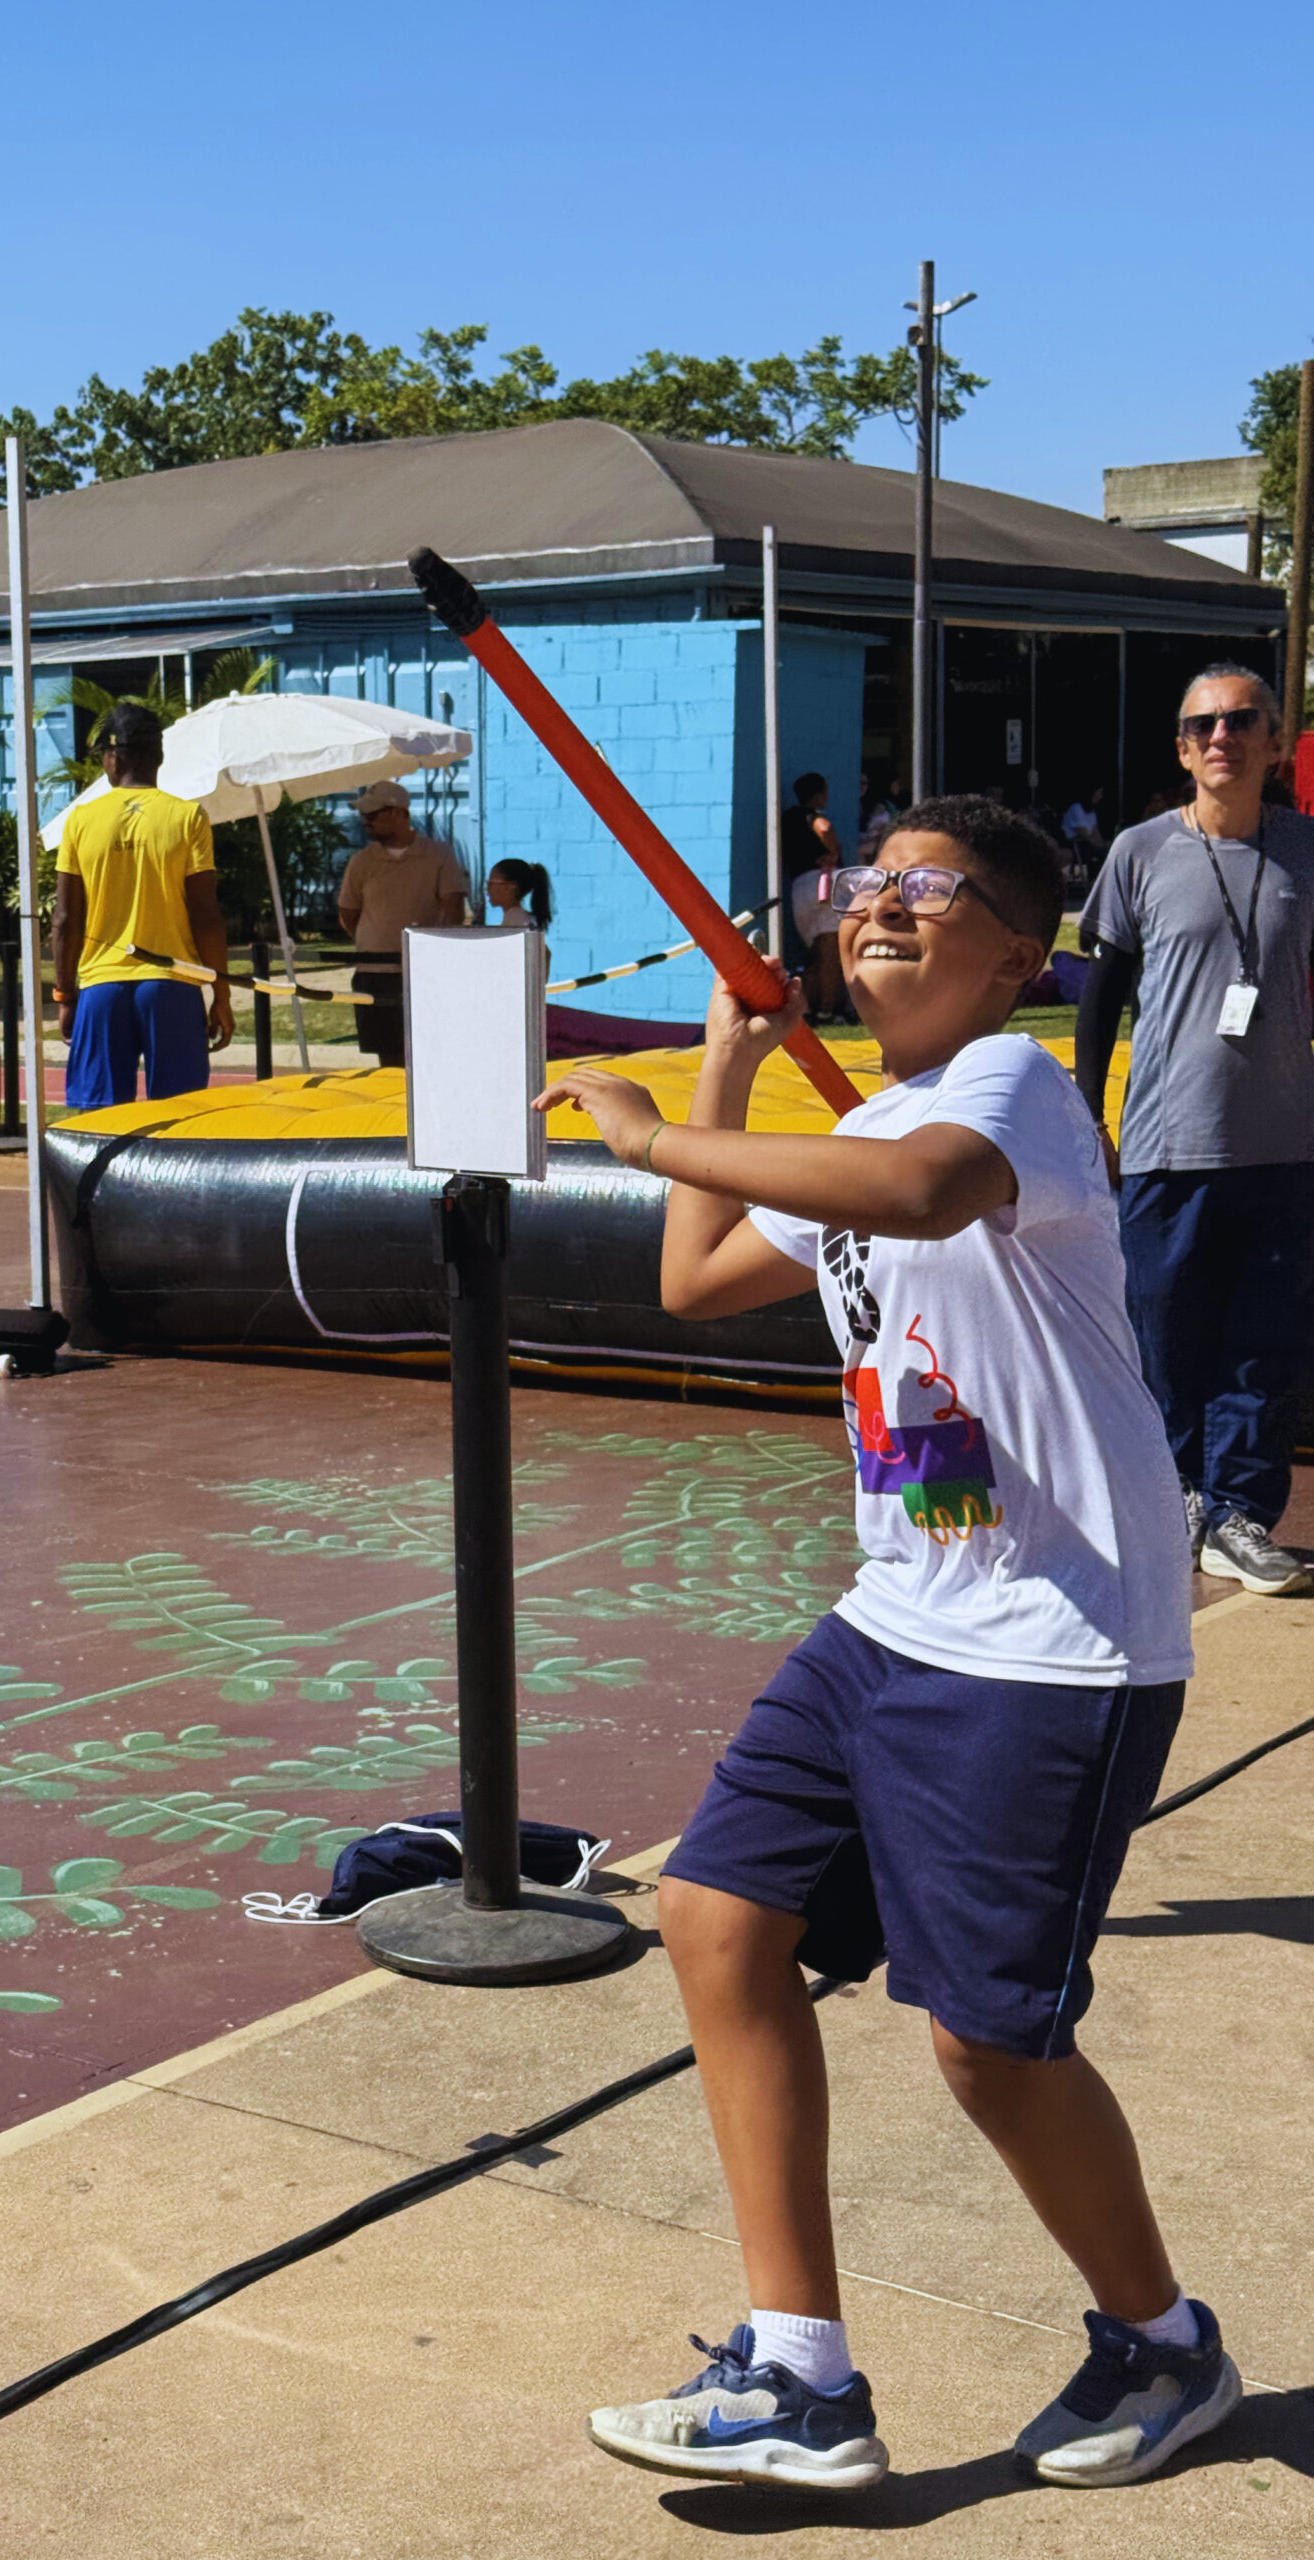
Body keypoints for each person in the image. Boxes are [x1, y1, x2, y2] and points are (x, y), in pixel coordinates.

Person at [543, 796, 1233, 2493]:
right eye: (868, 883)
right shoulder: (872, 1120)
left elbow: (920, 1194)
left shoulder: (1011, 1091)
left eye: (934, 888)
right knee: (714, 1918)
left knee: (988, 2046)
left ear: (1019, 956)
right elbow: (699, 1283)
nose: (882, 905)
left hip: (1052, 1643)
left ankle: (1164, 2343)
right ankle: (799, 2374)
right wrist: (721, 1070)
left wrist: (650, 1135)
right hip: (896, 1608)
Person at [1077, 663, 1314, 1597]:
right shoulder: (1140, 852)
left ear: (1273, 742)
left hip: (1285, 1144)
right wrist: (1088, 1111)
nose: (1223, 736)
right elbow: (1102, 995)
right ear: (1182, 749)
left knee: (1264, 1345)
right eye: (1204, 724)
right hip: (1169, 1145)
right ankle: (1170, 1500)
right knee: (1165, 1340)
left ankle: (1239, 1517)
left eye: (1242, 720)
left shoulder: (1306, 851)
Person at [52, 702, 231, 1111]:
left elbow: (64, 920)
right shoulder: (188, 817)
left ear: (112, 759)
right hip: (172, 985)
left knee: (100, 1122)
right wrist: (219, 995)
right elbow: (206, 917)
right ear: (159, 757)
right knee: (179, 1120)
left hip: (101, 988)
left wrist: (65, 996)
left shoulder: (80, 820)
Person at [335, 781, 467, 1066]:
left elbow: (453, 908)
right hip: (374, 973)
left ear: (398, 813)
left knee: (431, 1056)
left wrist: (435, 949)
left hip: (423, 972)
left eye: (372, 815)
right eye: (363, 816)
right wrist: (373, 941)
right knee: (388, 1061)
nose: (365, 822)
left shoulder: (439, 855)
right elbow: (348, 913)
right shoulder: (361, 861)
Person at [780, 773, 844, 1022]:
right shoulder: (811, 815)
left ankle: (806, 1009)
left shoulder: (787, 818)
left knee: (813, 953)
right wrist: (834, 852)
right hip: (823, 882)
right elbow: (824, 828)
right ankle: (827, 1011)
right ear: (819, 795)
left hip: (799, 887)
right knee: (830, 950)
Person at [485, 858, 552, 962]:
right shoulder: (519, 918)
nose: (487, 890)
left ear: (510, 886)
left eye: (491, 884)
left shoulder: (517, 920)